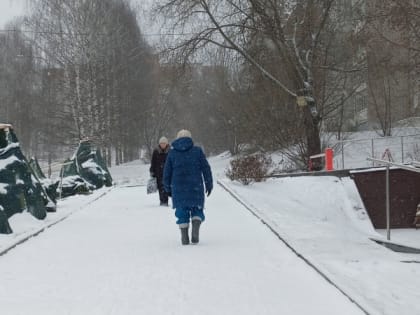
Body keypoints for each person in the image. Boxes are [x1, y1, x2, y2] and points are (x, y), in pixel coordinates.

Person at [163, 129, 213, 245]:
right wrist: (209, 183)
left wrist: (167, 188)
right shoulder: (197, 151)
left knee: (181, 211)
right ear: (190, 139)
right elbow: (206, 168)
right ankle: (196, 224)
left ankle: (184, 235)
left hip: (178, 187)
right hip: (196, 186)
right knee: (197, 208)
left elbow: (167, 173)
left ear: (177, 138)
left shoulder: (172, 153)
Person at [150, 136, 170, 206]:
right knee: (160, 187)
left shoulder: (170, 151)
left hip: (167, 172)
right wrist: (152, 171)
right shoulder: (156, 151)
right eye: (161, 143)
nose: (163, 145)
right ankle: (162, 201)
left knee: (166, 186)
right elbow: (153, 162)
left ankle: (166, 201)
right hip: (158, 172)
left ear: (166, 144)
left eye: (164, 143)